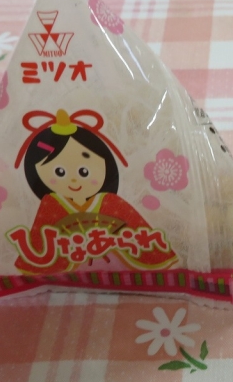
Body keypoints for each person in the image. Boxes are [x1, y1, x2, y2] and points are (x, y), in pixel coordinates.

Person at [12, 109, 178, 274]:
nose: (74, 180)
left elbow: (144, 239)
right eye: (59, 172)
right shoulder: (51, 205)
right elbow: (38, 248)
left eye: (84, 171)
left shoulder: (112, 203)